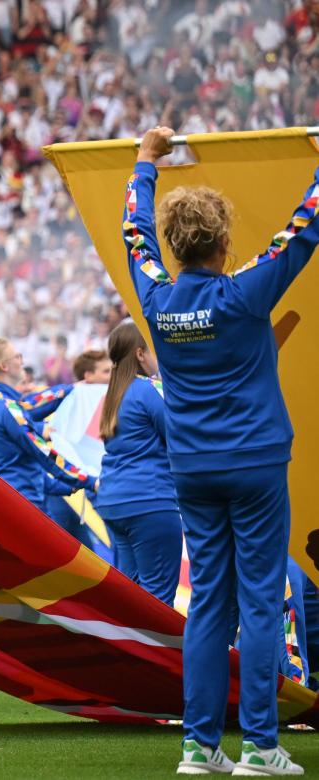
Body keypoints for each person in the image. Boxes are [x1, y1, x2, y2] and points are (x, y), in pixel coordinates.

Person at [128, 126, 317, 775]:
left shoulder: (155, 296)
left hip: (193, 470)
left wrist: (145, 162)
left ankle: (199, 747)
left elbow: (135, 238)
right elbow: (304, 226)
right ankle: (261, 747)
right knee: (262, 600)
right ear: (223, 242)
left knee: (209, 601)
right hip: (257, 466)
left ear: (177, 243)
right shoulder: (244, 294)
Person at [0, 337, 98, 540]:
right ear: (4, 366)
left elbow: (32, 405)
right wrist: (90, 480)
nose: (21, 361)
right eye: (17, 356)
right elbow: (44, 453)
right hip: (24, 507)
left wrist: (73, 389)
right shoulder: (7, 407)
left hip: (16, 502)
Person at [93, 321, 181, 606]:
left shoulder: (112, 395)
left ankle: (126, 652)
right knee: (158, 602)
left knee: (134, 599)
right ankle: (158, 653)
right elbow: (177, 436)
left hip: (114, 502)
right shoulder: (147, 389)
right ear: (141, 354)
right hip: (149, 501)